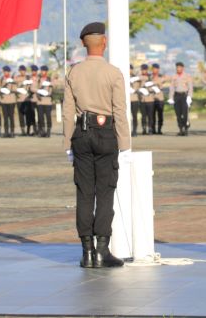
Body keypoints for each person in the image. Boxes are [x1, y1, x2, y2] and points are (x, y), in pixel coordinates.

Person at [63, 22, 130, 268]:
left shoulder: (74, 72)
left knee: (84, 193)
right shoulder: (113, 73)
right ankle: (102, 249)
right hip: (106, 134)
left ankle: (87, 252)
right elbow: (119, 111)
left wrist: (67, 142)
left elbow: (67, 110)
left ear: (83, 44)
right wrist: (124, 144)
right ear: (105, 42)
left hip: (81, 133)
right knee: (104, 192)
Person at [168, 62, 193, 136]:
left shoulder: (187, 76)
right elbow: (171, 88)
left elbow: (190, 87)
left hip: (184, 95)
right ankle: (180, 128)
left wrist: (189, 97)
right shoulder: (174, 76)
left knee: (185, 113)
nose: (178, 69)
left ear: (182, 68)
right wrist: (171, 98)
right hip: (177, 96)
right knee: (178, 114)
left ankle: (185, 127)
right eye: (177, 67)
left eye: (179, 67)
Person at [36, 65, 54, 137]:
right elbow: (34, 88)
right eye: (41, 70)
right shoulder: (39, 79)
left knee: (48, 116)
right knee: (40, 117)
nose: (42, 72)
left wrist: (48, 92)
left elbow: (53, 87)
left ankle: (48, 131)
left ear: (46, 71)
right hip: (40, 100)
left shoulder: (49, 79)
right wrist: (38, 92)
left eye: (43, 70)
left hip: (47, 101)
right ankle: (42, 131)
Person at [0, 66, 17, 137]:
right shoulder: (1, 79)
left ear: (9, 72)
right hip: (4, 100)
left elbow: (15, 89)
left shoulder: (13, 79)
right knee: (5, 117)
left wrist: (11, 88)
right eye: (4, 71)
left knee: (11, 116)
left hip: (11, 100)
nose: (5, 73)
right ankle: (6, 132)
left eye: (6, 71)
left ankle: (12, 131)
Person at [149, 64, 166, 134]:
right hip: (152, 98)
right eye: (153, 69)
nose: (154, 70)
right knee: (152, 115)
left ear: (158, 69)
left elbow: (165, 79)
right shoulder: (150, 77)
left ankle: (159, 129)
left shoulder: (161, 76)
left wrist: (153, 82)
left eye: (156, 69)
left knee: (160, 115)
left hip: (160, 98)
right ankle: (153, 129)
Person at [139, 64, 155, 135]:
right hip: (142, 99)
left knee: (150, 115)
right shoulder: (138, 77)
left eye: (145, 69)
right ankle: (144, 128)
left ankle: (150, 129)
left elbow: (154, 87)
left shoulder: (150, 77)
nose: (144, 71)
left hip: (150, 99)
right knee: (143, 115)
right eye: (142, 69)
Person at [129, 65, 142, 137]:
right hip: (126, 100)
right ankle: (127, 131)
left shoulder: (136, 78)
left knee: (134, 116)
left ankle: (134, 131)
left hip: (134, 99)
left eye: (130, 69)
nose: (129, 70)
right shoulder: (122, 76)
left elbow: (140, 85)